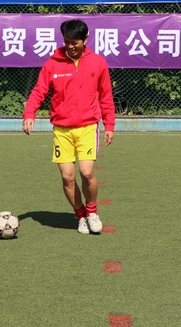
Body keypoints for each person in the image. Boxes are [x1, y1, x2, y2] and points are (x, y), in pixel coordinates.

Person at [22, 19, 115, 234]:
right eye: (67, 42)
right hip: (61, 129)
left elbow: (106, 96)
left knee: (86, 172)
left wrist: (109, 124)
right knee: (67, 176)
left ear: (85, 39)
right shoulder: (52, 64)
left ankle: (92, 212)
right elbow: (39, 91)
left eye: (75, 42)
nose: (70, 46)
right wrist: (29, 114)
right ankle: (80, 216)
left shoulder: (98, 63)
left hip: (88, 127)